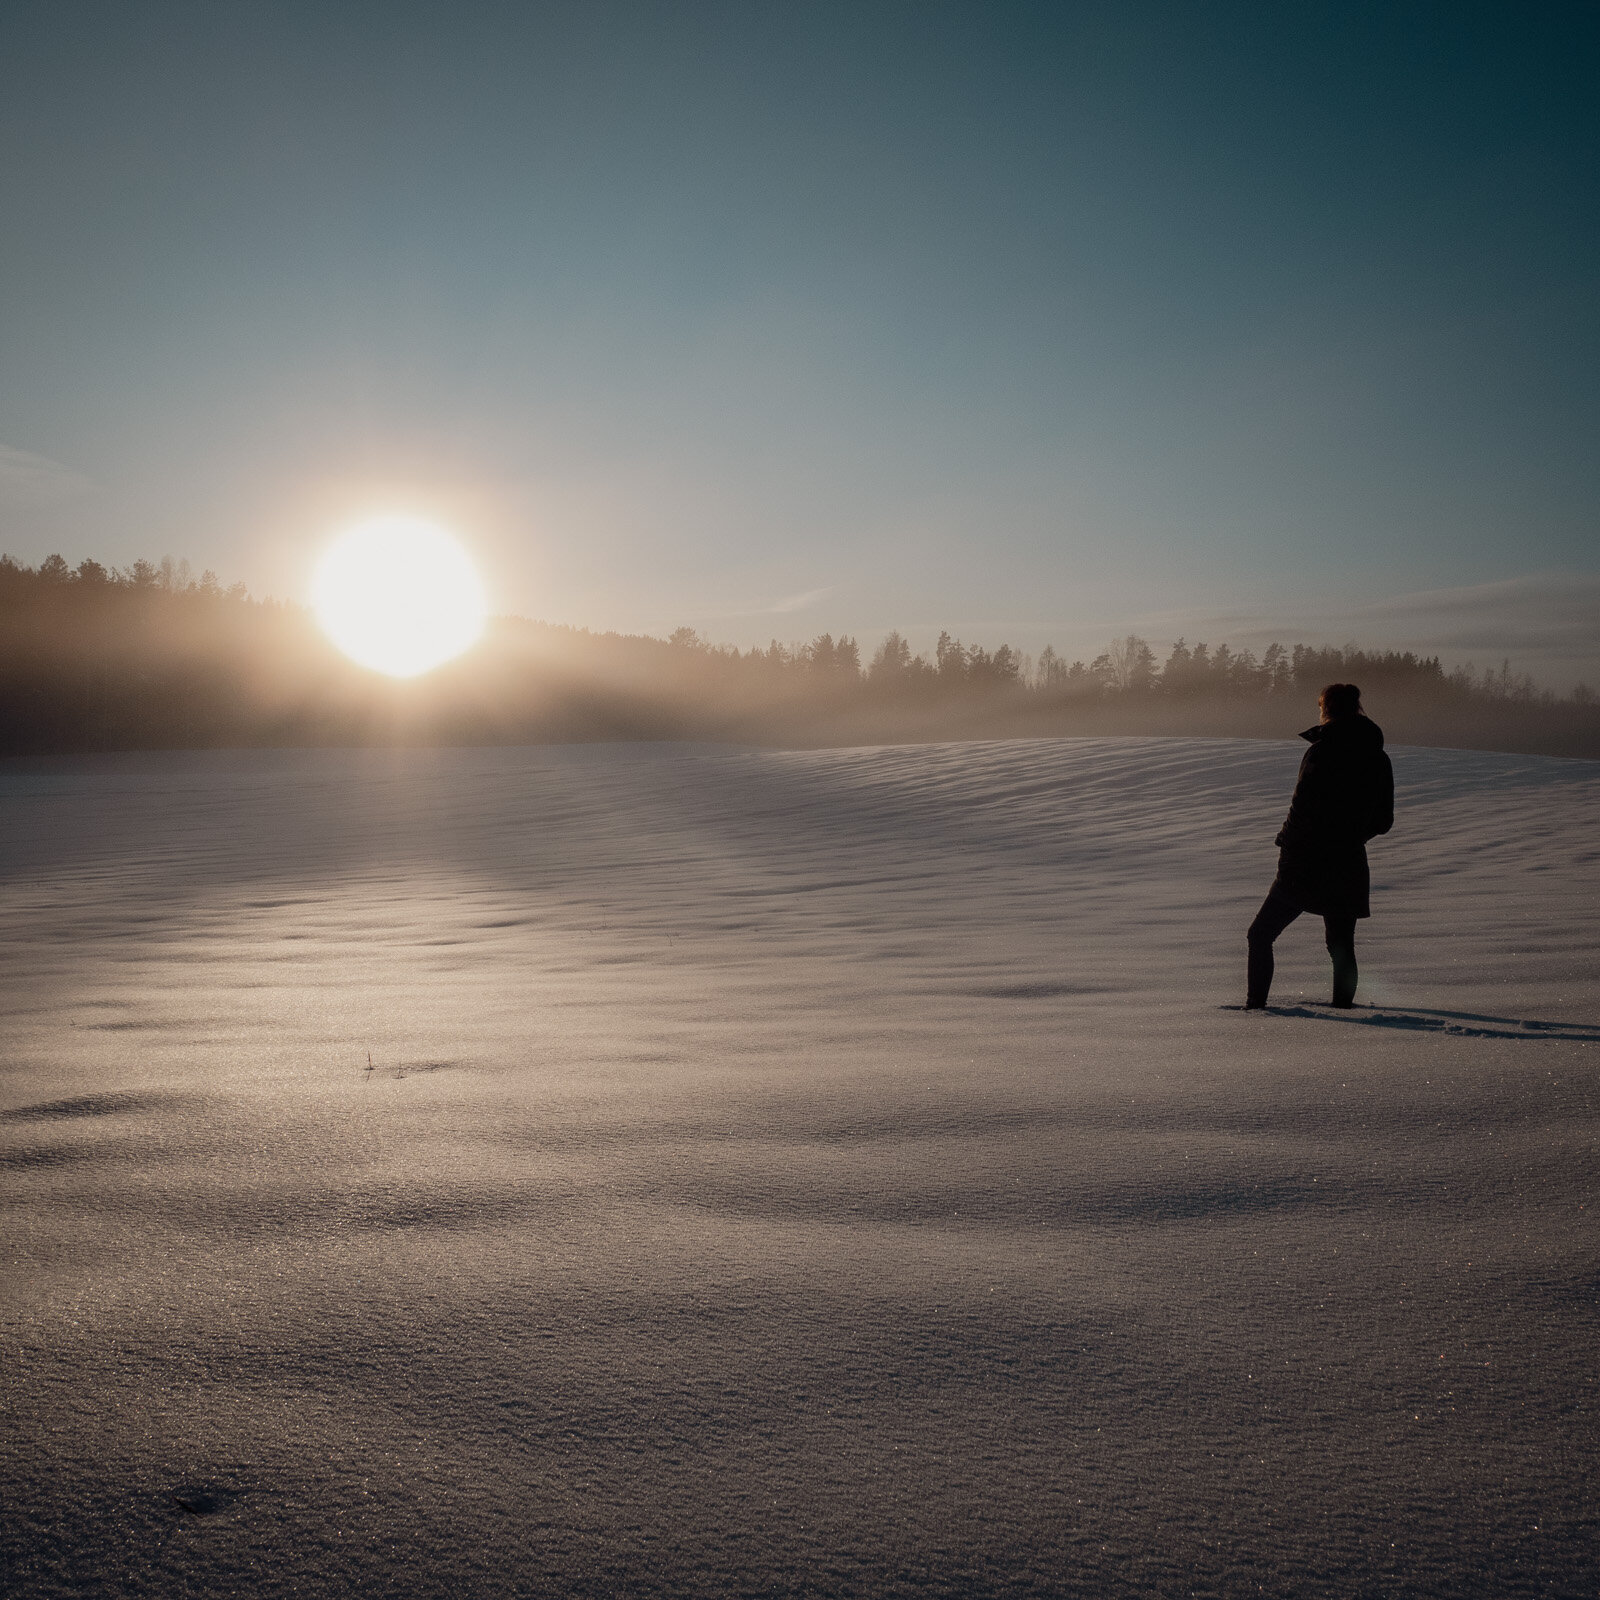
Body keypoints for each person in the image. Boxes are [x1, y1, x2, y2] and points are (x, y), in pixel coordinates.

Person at [1246, 683, 1394, 1009]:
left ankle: (1254, 1010)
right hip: (1349, 862)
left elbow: (1303, 809)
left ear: (1326, 709)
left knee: (1260, 935)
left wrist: (1289, 847)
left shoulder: (1323, 750)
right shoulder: (1377, 758)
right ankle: (1344, 1011)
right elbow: (1383, 821)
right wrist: (1350, 837)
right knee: (1340, 946)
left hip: (1305, 862)